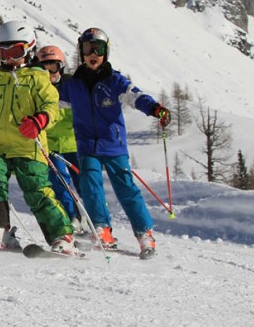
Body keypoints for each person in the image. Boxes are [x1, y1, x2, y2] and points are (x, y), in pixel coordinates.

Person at [0, 21, 76, 255]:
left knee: (36, 190)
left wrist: (39, 120)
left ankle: (62, 236)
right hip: (0, 145)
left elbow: (51, 106)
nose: (8, 58)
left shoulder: (38, 78)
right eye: (2, 52)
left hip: (28, 147)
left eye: (15, 52)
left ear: (29, 50)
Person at [58, 27, 171, 258]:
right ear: (81, 52)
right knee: (90, 187)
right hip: (87, 145)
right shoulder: (73, 85)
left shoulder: (115, 80)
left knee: (126, 189)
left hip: (113, 145)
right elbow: (50, 100)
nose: (93, 53)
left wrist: (154, 108)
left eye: (98, 49)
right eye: (88, 48)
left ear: (105, 53)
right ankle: (102, 229)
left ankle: (144, 233)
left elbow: (136, 96)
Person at [36, 45, 82, 233]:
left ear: (60, 67)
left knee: (84, 183)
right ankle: (72, 218)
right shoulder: (38, 88)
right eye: (43, 68)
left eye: (52, 67)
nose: (48, 73)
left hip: (75, 142)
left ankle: (96, 221)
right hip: (51, 144)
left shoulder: (71, 86)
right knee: (60, 182)